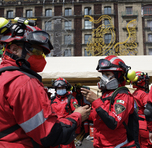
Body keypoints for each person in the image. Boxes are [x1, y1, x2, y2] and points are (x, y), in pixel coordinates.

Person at [0, 17, 91, 147]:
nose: (41, 57)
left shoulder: (4, 76)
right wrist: (77, 116)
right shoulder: (24, 83)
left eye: (43, 53)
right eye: (36, 51)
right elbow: (50, 135)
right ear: (14, 49)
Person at [81, 55, 139, 148]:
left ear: (119, 75)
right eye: (103, 75)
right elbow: (99, 117)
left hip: (116, 144)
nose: (104, 78)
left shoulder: (123, 95)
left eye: (107, 74)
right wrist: (85, 111)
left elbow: (113, 122)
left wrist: (96, 101)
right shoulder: (106, 94)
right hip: (100, 143)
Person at [51, 78, 79, 148]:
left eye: (62, 87)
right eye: (58, 88)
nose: (60, 89)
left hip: (67, 128)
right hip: (55, 129)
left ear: (66, 88)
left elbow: (77, 112)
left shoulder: (71, 99)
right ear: (55, 89)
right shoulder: (52, 100)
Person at [131, 71, 152, 148]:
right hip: (145, 126)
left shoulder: (134, 94)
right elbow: (149, 110)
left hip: (136, 125)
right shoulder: (144, 95)